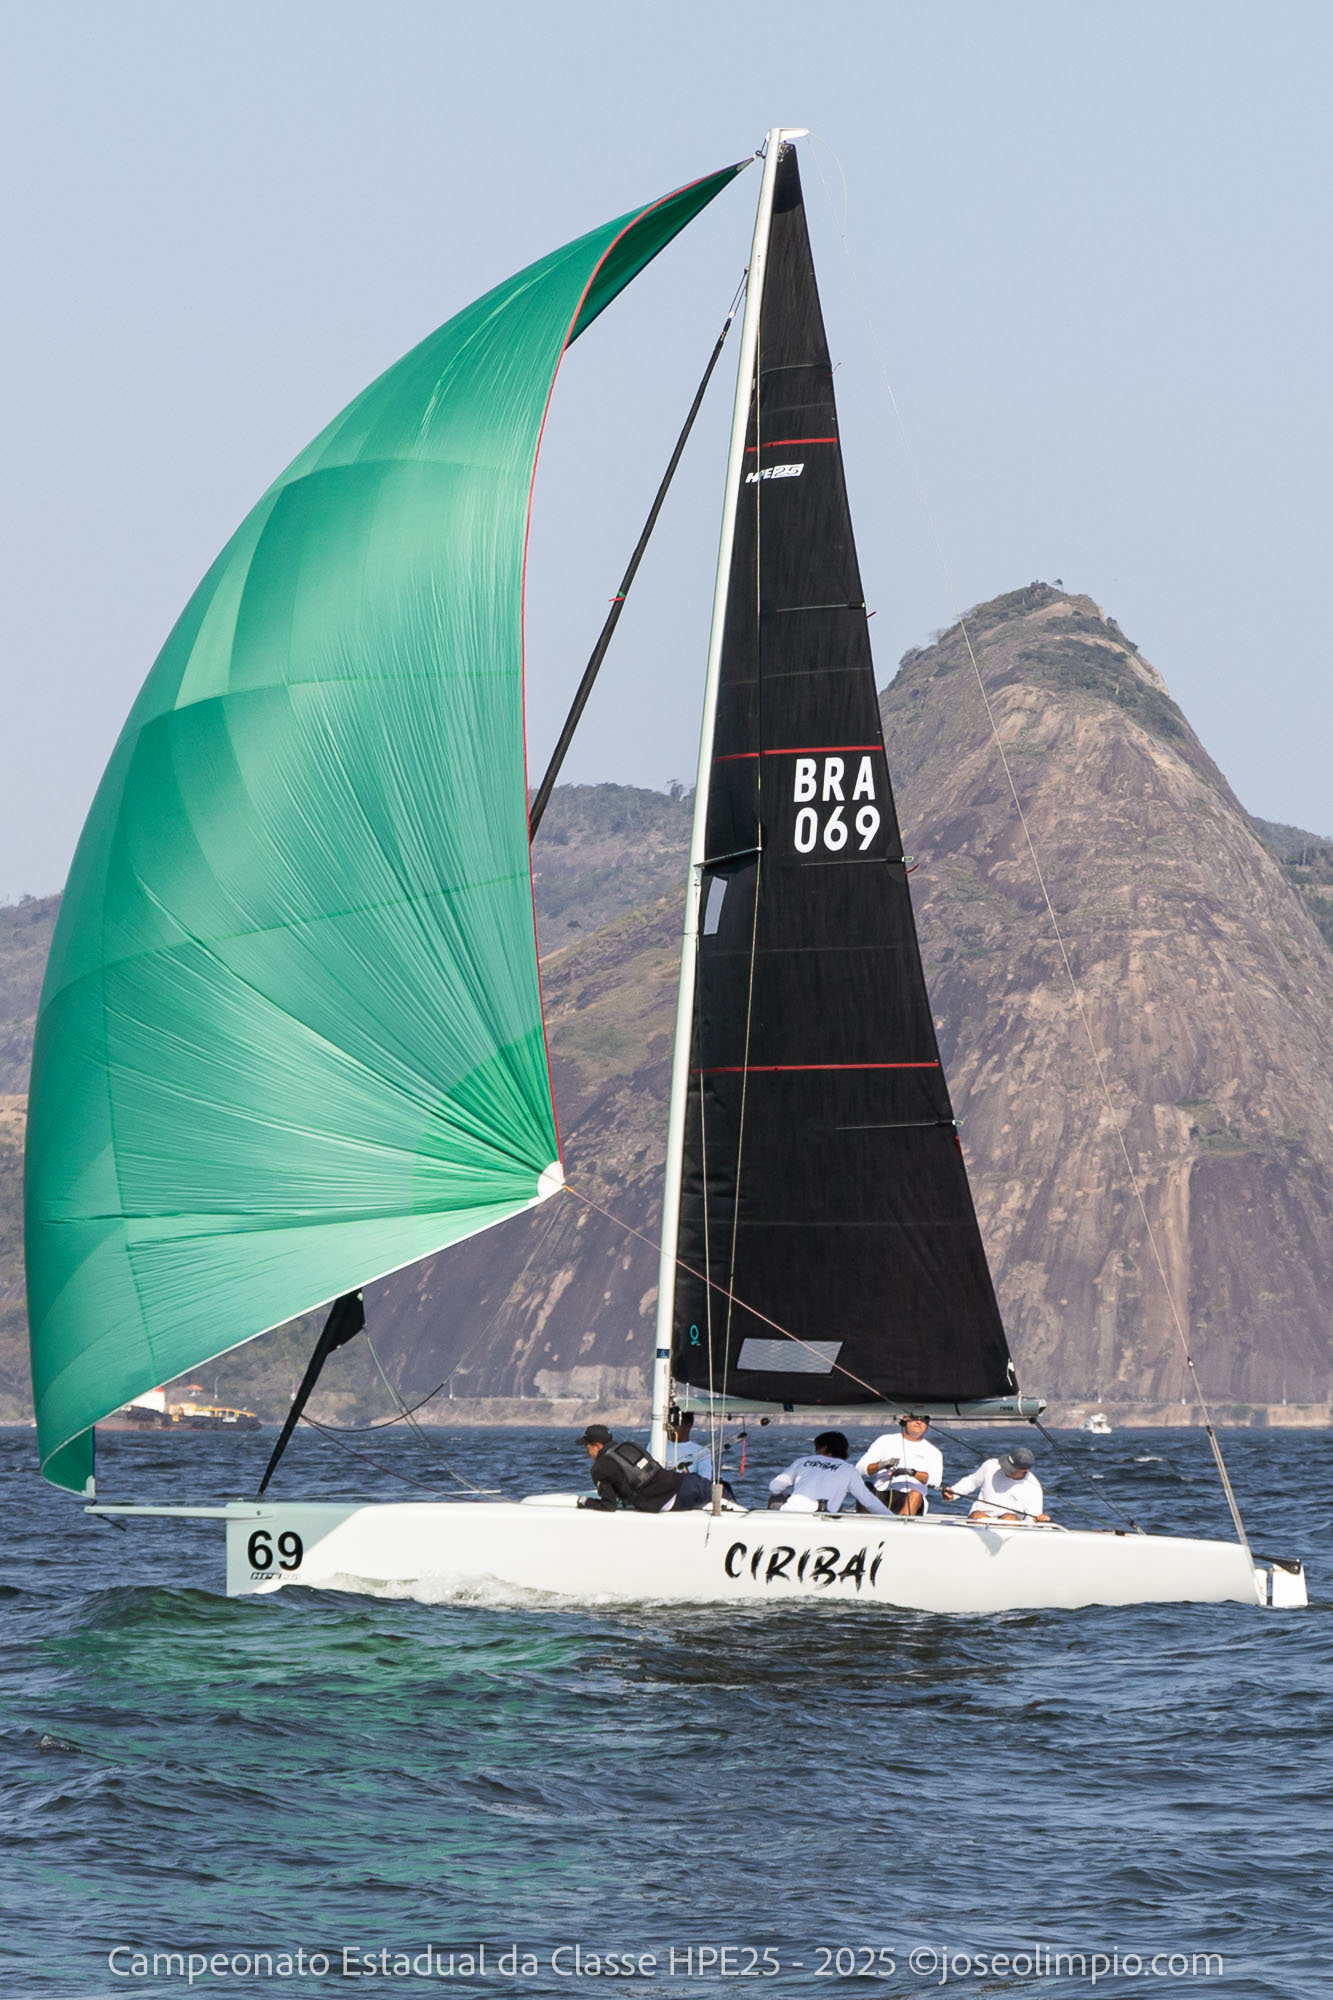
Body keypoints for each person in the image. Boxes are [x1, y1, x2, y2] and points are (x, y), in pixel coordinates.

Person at [577, 1424, 710, 1513]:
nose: (587, 1452)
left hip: (670, 1500)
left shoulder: (599, 1468)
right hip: (685, 1481)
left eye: (587, 1447)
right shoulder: (630, 1446)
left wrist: (585, 1501)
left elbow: (608, 1506)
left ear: (597, 1446)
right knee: (717, 1489)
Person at [768, 1432, 891, 1516]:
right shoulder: (848, 1469)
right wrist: (892, 1518)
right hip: (822, 1518)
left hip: (789, 1515)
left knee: (775, 1497)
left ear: (824, 1448)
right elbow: (868, 1501)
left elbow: (774, 1487)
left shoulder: (802, 1461)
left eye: (817, 1448)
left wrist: (786, 1495)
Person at [854, 1412, 944, 1516]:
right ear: (905, 1420)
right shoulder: (885, 1440)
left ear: (927, 1425)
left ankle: (901, 1524)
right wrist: (883, 1464)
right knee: (866, 1487)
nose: (919, 1422)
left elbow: (935, 1482)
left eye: (924, 1419)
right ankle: (865, 1522)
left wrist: (910, 1472)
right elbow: (859, 1469)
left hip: (910, 1498)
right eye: (915, 1418)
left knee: (915, 1494)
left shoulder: (934, 1452)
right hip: (880, 1494)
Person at [942, 1445, 1049, 1523]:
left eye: (1011, 1471)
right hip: (981, 1518)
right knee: (978, 1516)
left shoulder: (1034, 1487)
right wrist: (954, 1492)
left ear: (1025, 1472)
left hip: (1010, 1525)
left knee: (1009, 1518)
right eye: (1005, 1466)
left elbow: (1033, 1517)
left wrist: (1039, 1519)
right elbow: (972, 1481)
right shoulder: (991, 1465)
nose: (1006, 1471)